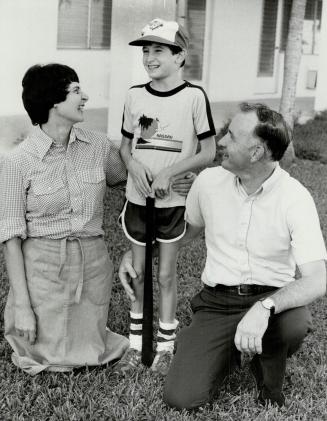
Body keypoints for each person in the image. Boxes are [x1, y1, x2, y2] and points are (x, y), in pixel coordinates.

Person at [119, 103, 327, 408]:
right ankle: (228, 350)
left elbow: (319, 278)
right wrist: (138, 254)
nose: (221, 143)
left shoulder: (295, 198)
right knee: (182, 398)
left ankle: (264, 352)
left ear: (256, 153)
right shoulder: (208, 182)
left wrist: (264, 307)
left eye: (231, 136)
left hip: (272, 300)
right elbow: (185, 232)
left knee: (293, 325)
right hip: (218, 303)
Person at [0, 63, 194, 375]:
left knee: (89, 349)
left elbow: (133, 183)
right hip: (43, 270)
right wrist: (22, 306)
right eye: (76, 90)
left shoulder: (98, 147)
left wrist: (174, 179)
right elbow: (10, 239)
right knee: (42, 353)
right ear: (52, 101)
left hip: (92, 267)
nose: (86, 96)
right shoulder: (16, 161)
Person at [116, 18, 216, 376]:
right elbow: (126, 147)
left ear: (180, 56)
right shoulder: (133, 95)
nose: (149, 57)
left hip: (172, 202)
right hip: (138, 199)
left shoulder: (194, 96)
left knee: (166, 276)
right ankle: (135, 346)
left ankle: (165, 347)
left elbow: (208, 151)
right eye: (145, 50)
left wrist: (169, 173)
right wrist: (133, 166)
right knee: (140, 273)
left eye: (158, 49)